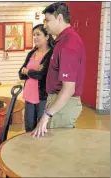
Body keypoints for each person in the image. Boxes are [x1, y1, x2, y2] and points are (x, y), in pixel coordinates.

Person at [31, 2, 86, 138]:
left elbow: (68, 89)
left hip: (62, 106)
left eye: (48, 20)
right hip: (58, 102)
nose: (45, 25)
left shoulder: (68, 44)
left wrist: (46, 115)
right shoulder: (62, 41)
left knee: (59, 151)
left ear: (60, 18)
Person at [19, 24, 54, 132]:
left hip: (42, 96)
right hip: (29, 95)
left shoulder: (51, 53)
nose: (35, 37)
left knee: (41, 127)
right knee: (29, 127)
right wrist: (33, 71)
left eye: (38, 34)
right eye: (33, 35)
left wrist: (28, 71)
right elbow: (20, 74)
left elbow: (42, 75)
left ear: (47, 36)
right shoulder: (31, 53)